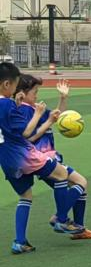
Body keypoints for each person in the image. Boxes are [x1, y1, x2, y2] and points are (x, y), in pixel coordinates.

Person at [0, 63, 85, 254]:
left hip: (6, 159)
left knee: (26, 196)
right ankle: (61, 219)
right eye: (15, 85)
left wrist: (16, 103)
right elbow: (26, 133)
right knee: (62, 174)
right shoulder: (7, 103)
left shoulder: (6, 104)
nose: (16, 89)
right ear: (7, 84)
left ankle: (20, 241)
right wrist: (39, 114)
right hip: (24, 154)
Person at [15, 76, 91, 240]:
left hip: (44, 158)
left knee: (78, 185)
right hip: (42, 159)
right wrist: (45, 120)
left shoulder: (33, 108)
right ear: (23, 93)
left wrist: (63, 98)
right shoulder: (25, 110)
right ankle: (60, 218)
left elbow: (57, 117)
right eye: (35, 92)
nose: (37, 95)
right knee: (81, 182)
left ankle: (77, 228)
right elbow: (28, 136)